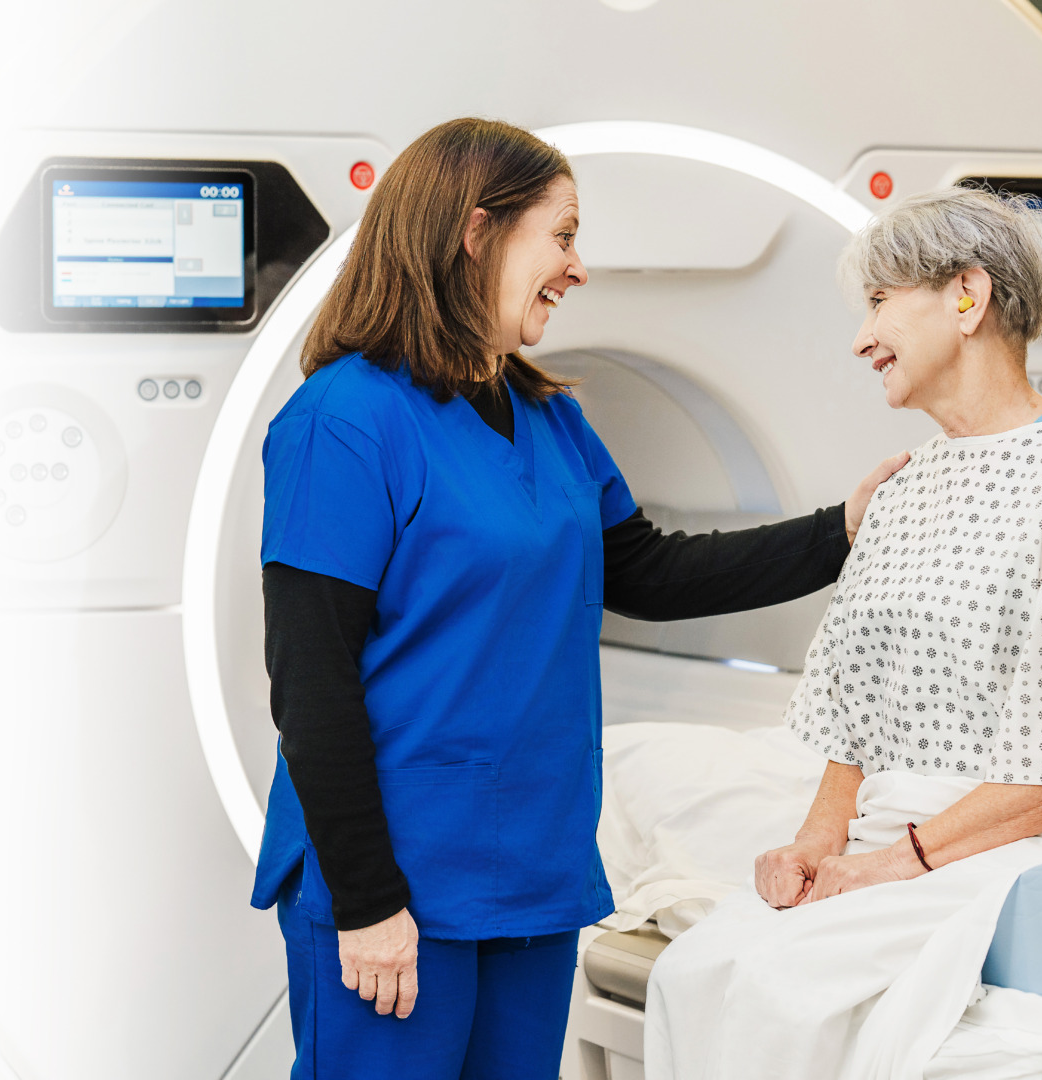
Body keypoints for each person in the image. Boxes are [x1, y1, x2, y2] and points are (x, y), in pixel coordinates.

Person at [249, 117, 903, 1080]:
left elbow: (646, 572)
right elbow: (311, 683)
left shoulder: (549, 415)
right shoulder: (344, 421)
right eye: (561, 236)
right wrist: (368, 901)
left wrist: (842, 529)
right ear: (475, 231)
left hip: (535, 867)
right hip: (398, 877)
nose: (578, 267)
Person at [643, 187, 1042, 1080]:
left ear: (967, 296)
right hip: (908, 832)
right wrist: (817, 841)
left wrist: (898, 862)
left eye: (879, 303)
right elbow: (857, 713)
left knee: (786, 992)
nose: (861, 339)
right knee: (694, 971)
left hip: (1037, 836)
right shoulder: (904, 486)